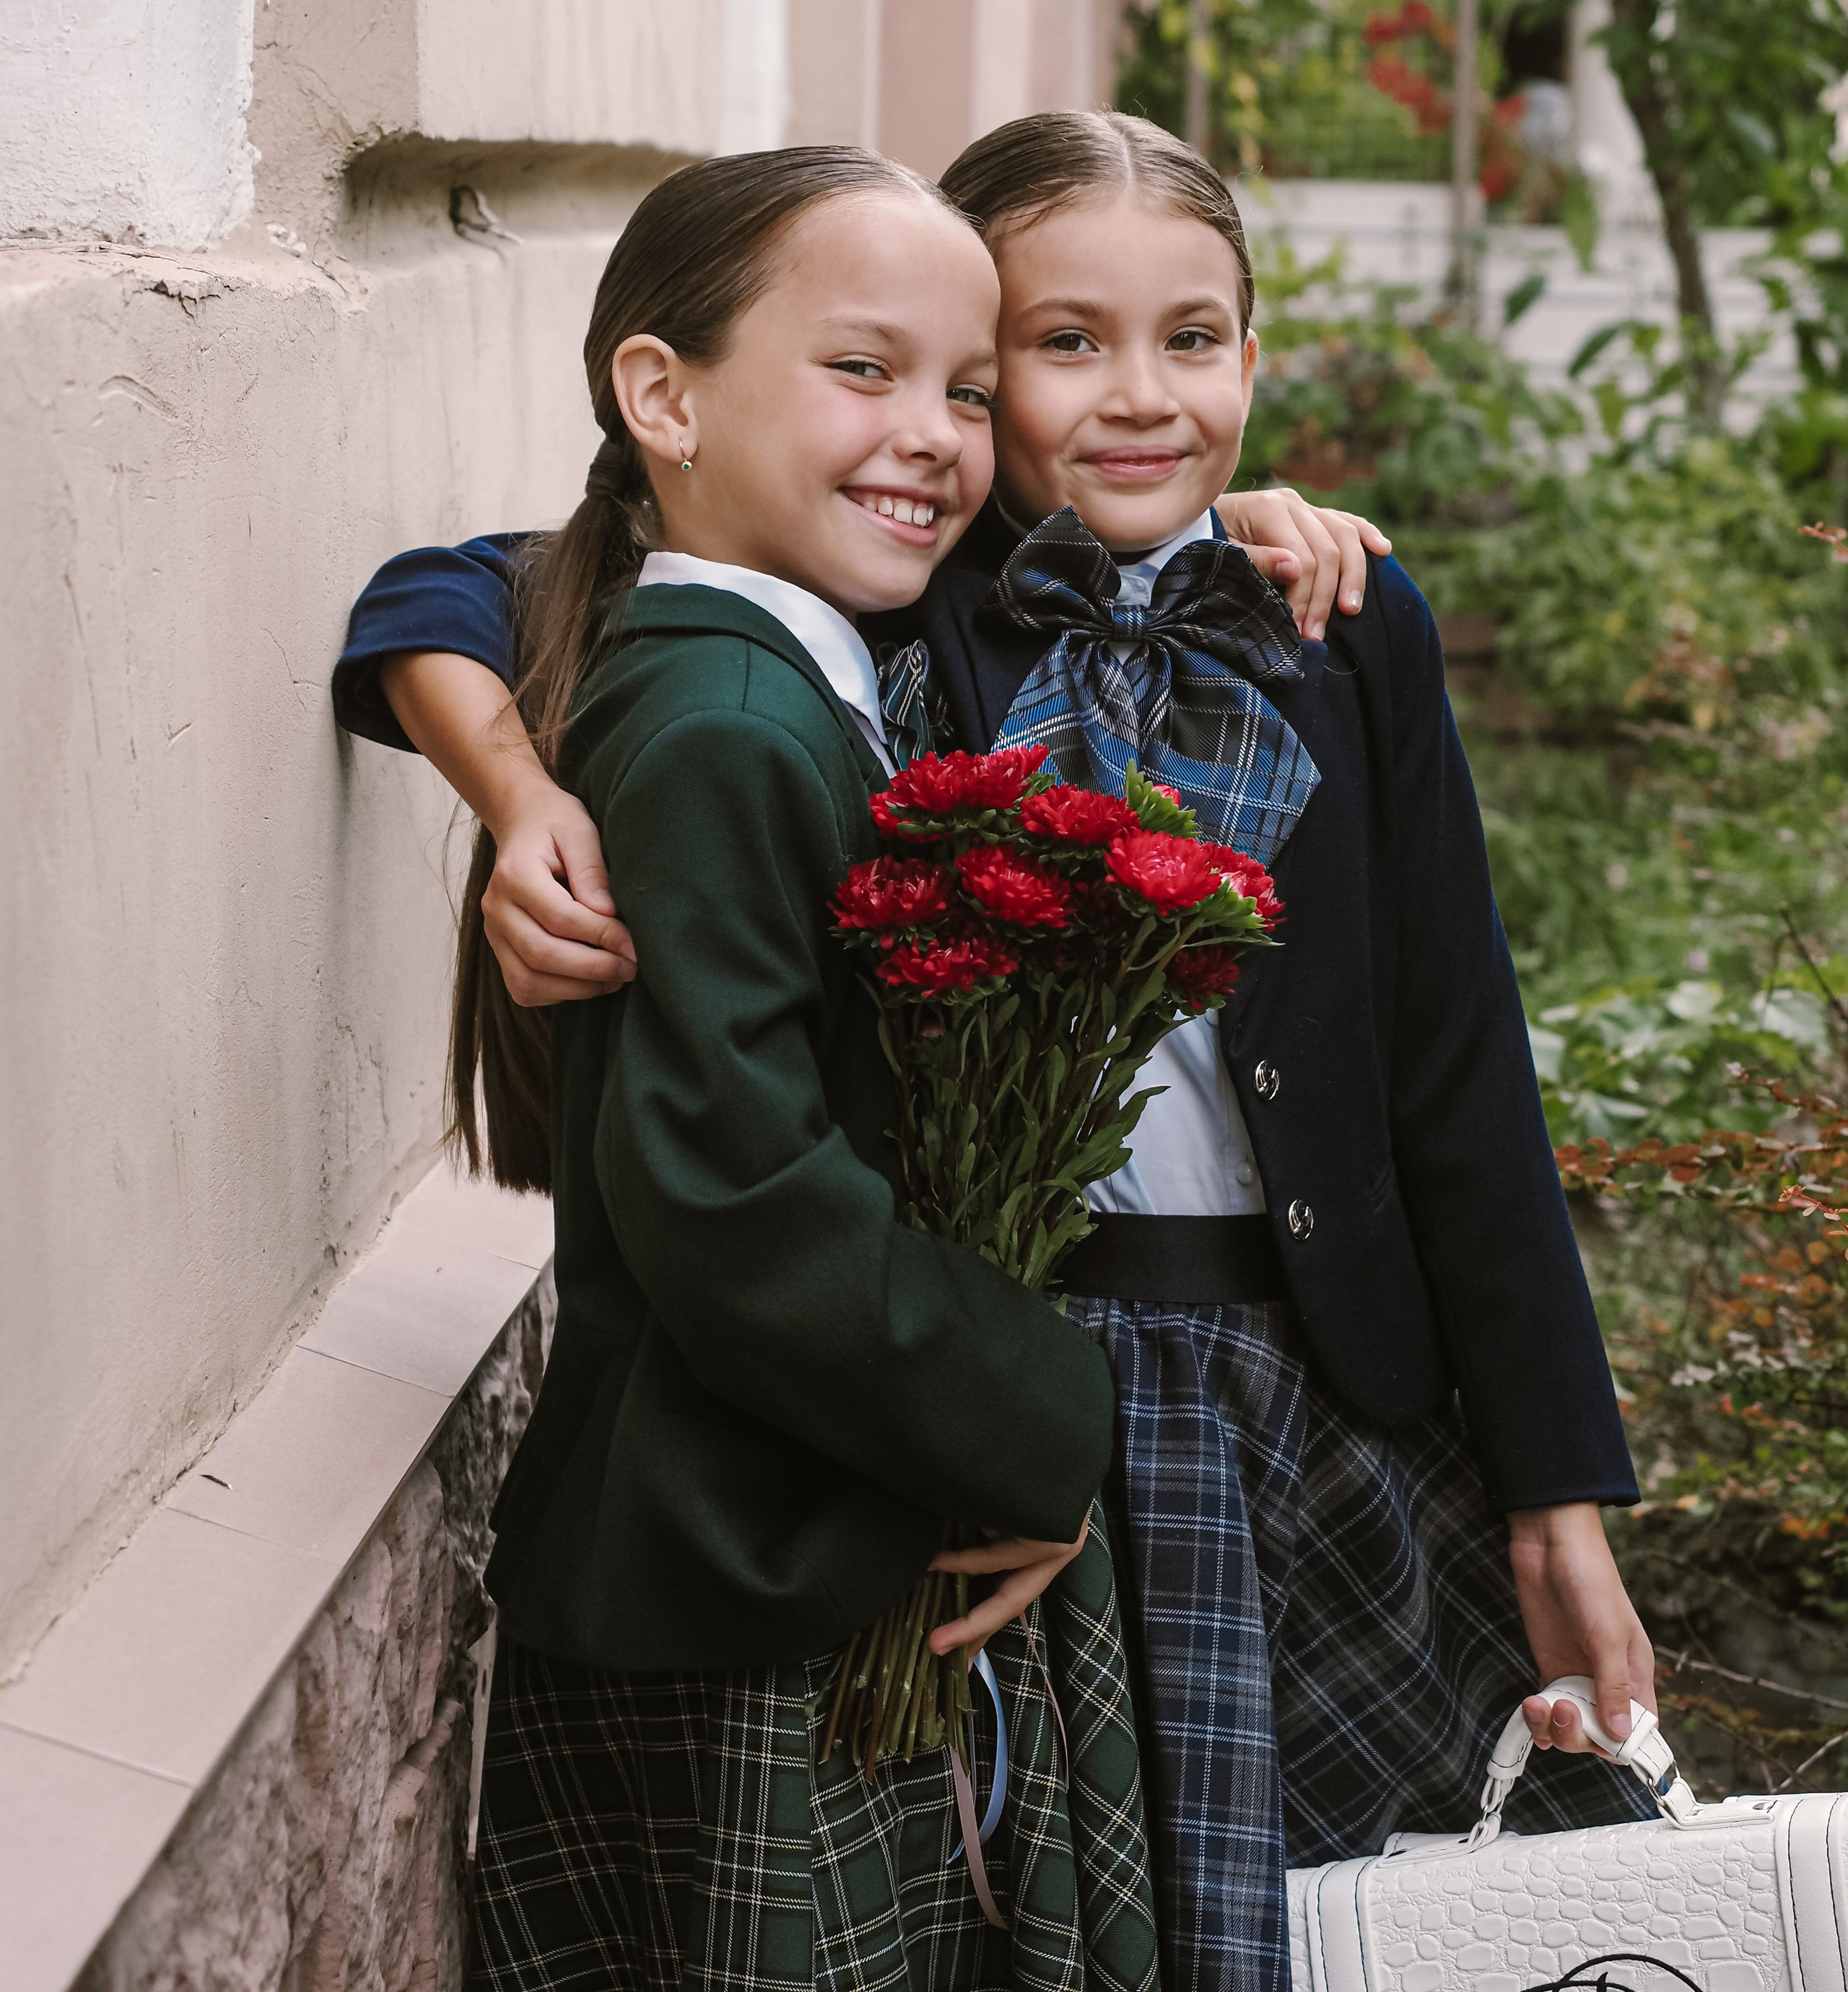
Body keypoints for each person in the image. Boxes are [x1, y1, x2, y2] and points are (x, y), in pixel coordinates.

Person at [334, 114, 1654, 1992]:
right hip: (1031, 1348)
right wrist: (522, 793)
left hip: (1320, 1393)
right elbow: (457, 586)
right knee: (1070, 1909)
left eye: (1195, 338)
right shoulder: (912, 597)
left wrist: (1557, 1487)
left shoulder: (1339, 621)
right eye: (1058, 343)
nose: (1137, 394)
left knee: (1336, 1902)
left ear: (1258, 360)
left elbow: (1462, 1075)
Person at [405, 143, 1161, 1992]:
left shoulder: (790, 662)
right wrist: (1036, 1415)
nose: (934, 435)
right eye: (862, 370)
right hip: (739, 1579)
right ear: (660, 395)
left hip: (786, 1541)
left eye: (968, 391)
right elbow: (730, 1197)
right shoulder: (729, 723)